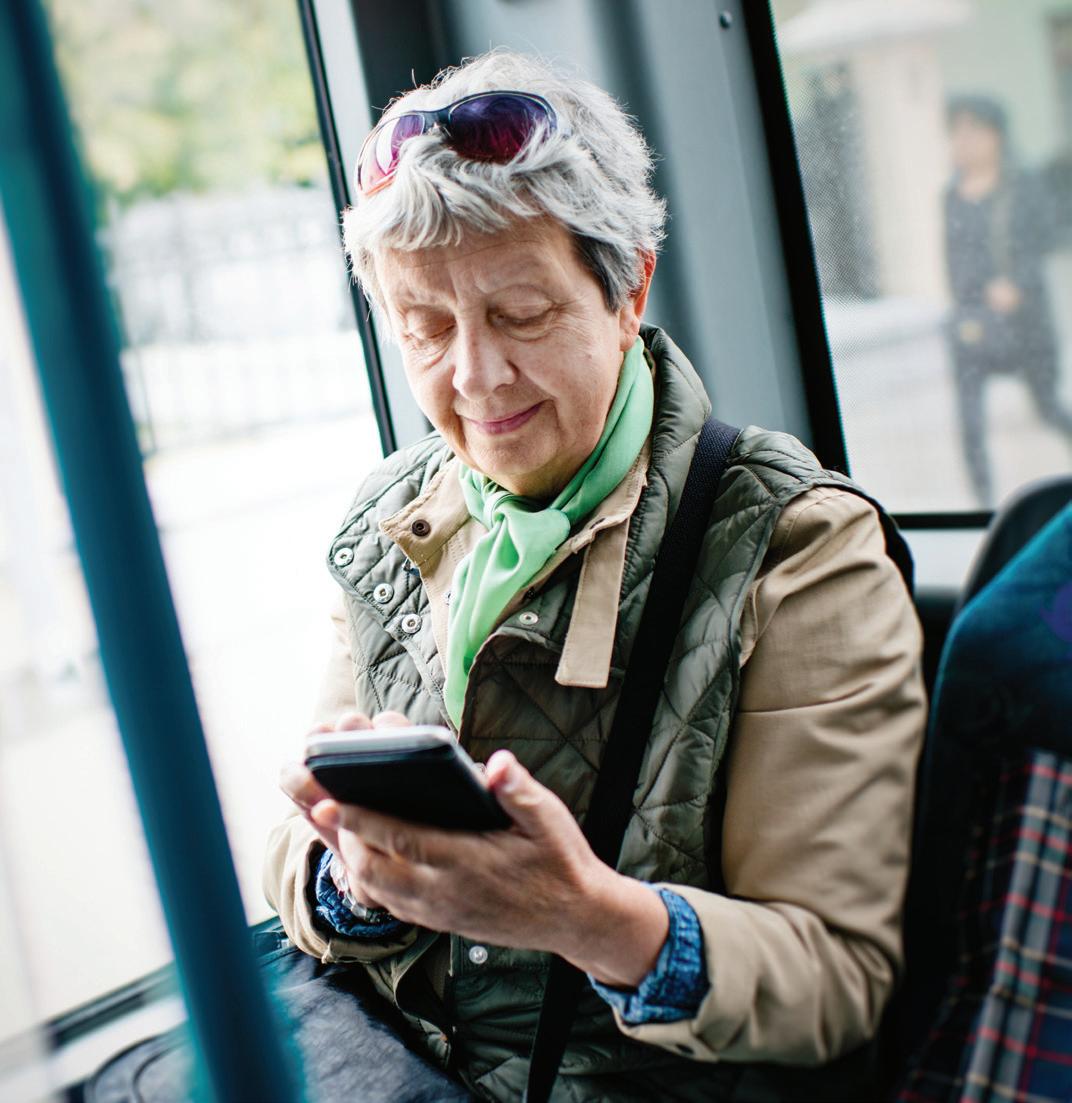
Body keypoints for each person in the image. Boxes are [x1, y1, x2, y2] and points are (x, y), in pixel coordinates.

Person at [265, 50, 926, 1102]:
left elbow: (832, 981)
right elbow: (288, 851)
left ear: (629, 291)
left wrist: (584, 916)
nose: (474, 377)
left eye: (522, 313)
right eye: (425, 327)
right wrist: (355, 880)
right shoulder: (392, 519)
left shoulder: (799, 546)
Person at [943, 94, 1072, 507]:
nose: (963, 141)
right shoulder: (952, 193)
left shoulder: (1023, 185)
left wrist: (1018, 284)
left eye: (973, 130)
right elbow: (953, 258)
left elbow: (1046, 240)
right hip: (973, 323)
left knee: (1048, 406)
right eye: (956, 131)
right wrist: (970, 298)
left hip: (1026, 322)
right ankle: (983, 508)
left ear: (996, 135)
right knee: (970, 422)